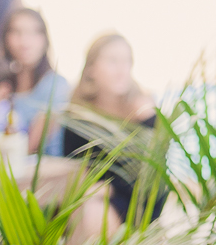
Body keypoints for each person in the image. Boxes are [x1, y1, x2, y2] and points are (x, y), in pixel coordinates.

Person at [63, 34, 166, 239]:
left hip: (140, 201)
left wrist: (148, 120)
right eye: (112, 61)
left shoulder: (143, 109)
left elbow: (157, 178)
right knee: (88, 209)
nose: (121, 70)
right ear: (91, 68)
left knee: (91, 211)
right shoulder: (78, 117)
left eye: (126, 61)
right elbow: (77, 171)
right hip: (98, 200)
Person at [0, 8, 70, 155]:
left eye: (34, 32)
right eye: (16, 32)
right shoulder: (2, 84)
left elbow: (31, 147)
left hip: (44, 173)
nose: (24, 42)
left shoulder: (56, 85)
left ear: (45, 39)